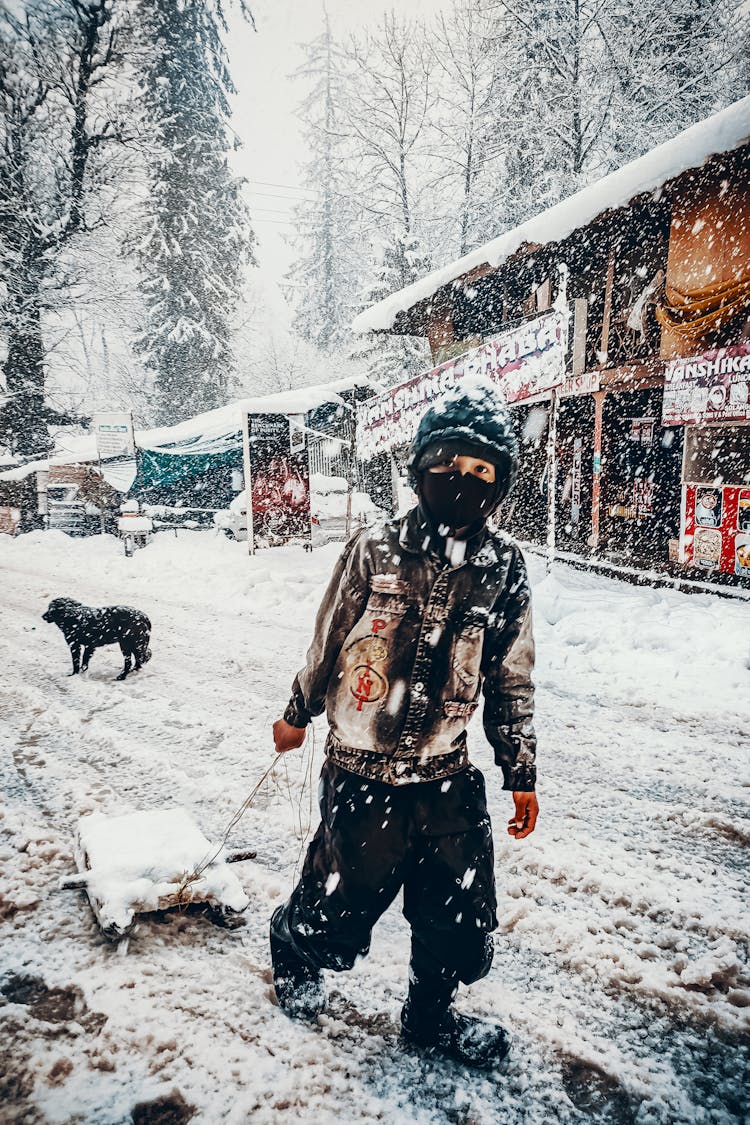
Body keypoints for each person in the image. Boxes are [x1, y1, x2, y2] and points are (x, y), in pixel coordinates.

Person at [270, 377, 539, 1069]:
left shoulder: (503, 568)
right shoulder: (374, 547)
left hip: (447, 774)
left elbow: (510, 675)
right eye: (450, 462)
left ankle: (429, 1016)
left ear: (500, 482)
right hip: (362, 770)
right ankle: (294, 952)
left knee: (456, 913)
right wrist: (298, 710)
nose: (464, 479)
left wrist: (521, 770)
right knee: (340, 905)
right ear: (421, 467)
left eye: (483, 470)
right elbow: (329, 637)